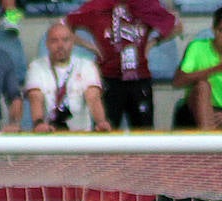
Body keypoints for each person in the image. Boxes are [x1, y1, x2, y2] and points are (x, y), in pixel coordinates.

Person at [65, 0, 177, 131]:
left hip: (139, 78)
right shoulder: (97, 6)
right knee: (106, 130)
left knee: (143, 131)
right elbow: (64, 25)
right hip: (109, 78)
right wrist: (91, 47)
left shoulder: (146, 4)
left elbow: (176, 25)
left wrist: (153, 42)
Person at [25, 20, 109, 133]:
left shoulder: (86, 65)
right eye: (54, 41)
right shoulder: (36, 67)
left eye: (65, 40)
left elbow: (93, 97)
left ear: (72, 42)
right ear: (47, 44)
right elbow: (35, 98)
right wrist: (39, 123)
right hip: (48, 132)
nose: (60, 45)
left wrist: (100, 122)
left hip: (81, 134)